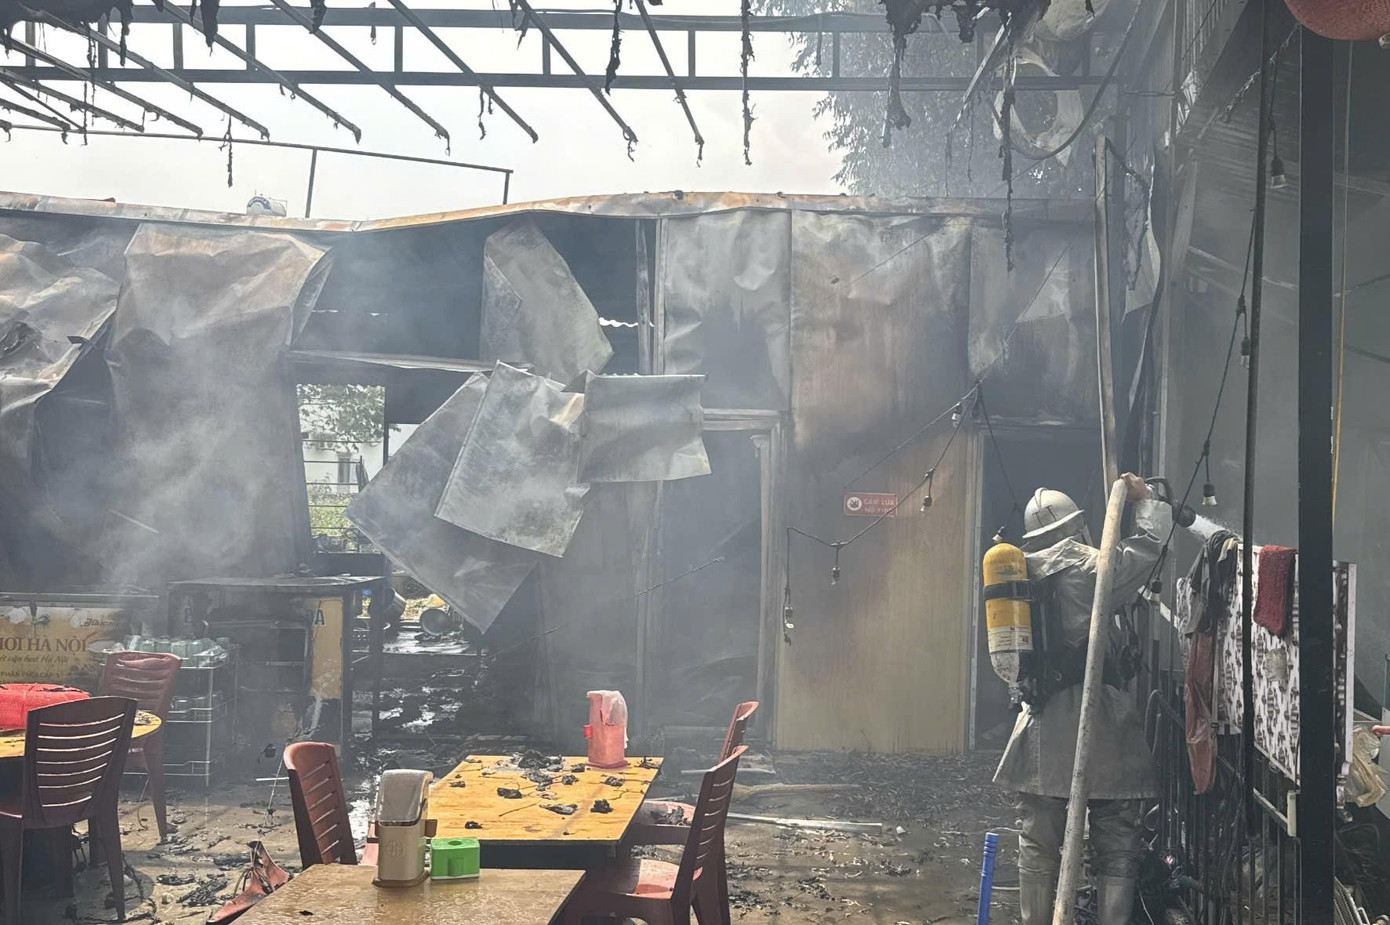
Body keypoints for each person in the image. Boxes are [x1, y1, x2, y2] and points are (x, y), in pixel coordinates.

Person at [995, 472, 1219, 925]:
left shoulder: (1018, 576)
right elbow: (1150, 551)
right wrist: (1146, 500)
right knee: (1117, 839)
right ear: (1077, 525)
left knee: (1037, 842)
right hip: (1100, 721)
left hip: (1039, 720)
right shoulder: (1089, 568)